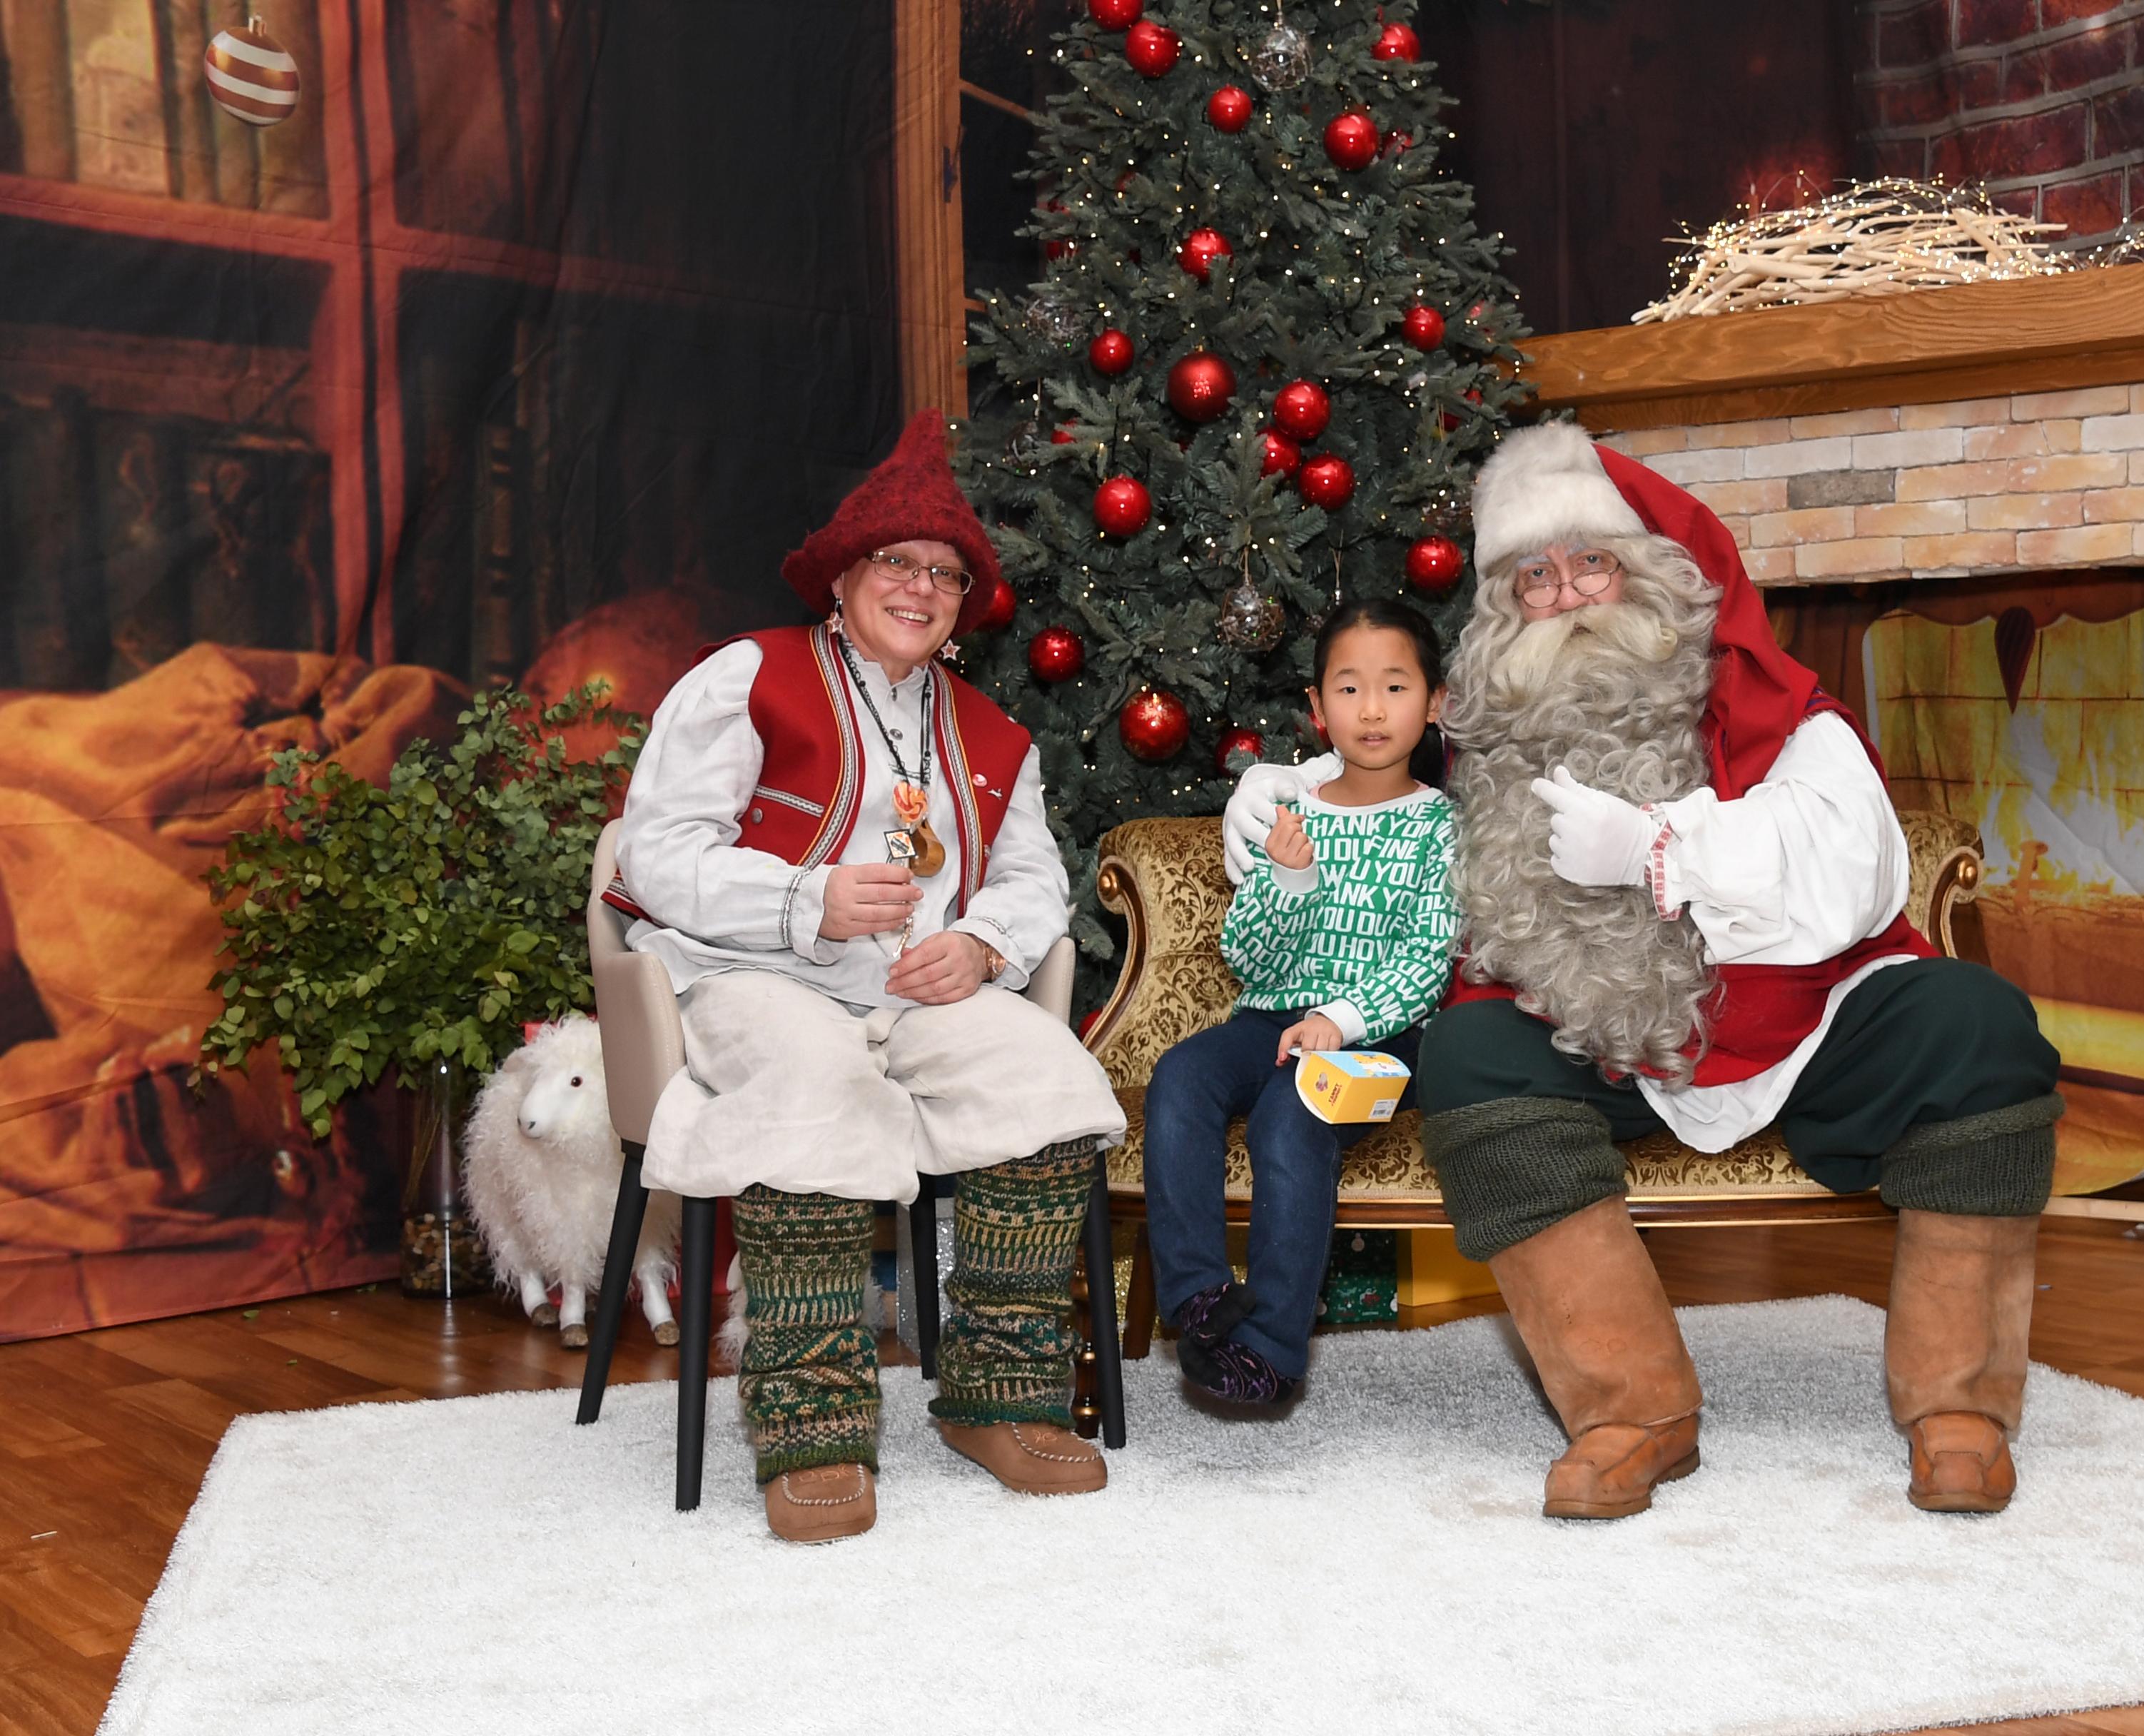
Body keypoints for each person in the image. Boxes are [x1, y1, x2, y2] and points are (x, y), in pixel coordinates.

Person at [1225, 423, 2062, 1520]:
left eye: (1592, 563)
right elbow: (1368, 760)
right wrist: (1272, 794)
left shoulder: (1776, 710)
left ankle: (1959, 1408)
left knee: (1980, 1025)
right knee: (1475, 1052)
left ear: (1655, 577)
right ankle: (1631, 1410)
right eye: (1535, 575)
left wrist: (1661, 849)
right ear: (1502, 610)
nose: (1566, 595)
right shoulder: (1488, 734)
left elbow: (1854, 877)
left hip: (1796, 1028)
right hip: (1594, 1036)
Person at [608, 410, 1126, 1543]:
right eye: (897, 561)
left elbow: (1038, 880)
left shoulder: (996, 737)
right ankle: (812, 1428)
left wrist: (985, 944)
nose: (921, 586)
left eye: (944, 573)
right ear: (842, 578)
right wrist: (805, 900)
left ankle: (999, 1399)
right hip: (752, 978)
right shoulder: (748, 676)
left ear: (961, 610)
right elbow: (657, 851)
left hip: (919, 993)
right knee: (810, 1081)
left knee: (1045, 1077)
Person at [1142, 600, 1458, 1405]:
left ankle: (1274, 1344)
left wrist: (1339, 1023)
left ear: (1436, 703)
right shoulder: (1291, 817)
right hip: (1270, 1017)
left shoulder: (1440, 828)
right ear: (1319, 710)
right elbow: (1246, 954)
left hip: (1380, 1039)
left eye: (1395, 686)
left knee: (1295, 1107)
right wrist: (1287, 879)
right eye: (1349, 689)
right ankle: (1199, 1294)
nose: (1374, 709)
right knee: (1182, 1075)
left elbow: (1424, 965)